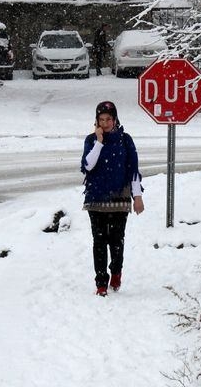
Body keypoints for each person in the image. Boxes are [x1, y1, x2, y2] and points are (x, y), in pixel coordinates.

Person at [81, 100, 144, 296]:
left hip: (119, 197)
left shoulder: (125, 140)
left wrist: (137, 196)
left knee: (116, 240)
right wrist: (99, 142)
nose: (105, 123)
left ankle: (116, 271)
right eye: (101, 120)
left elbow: (133, 170)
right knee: (99, 241)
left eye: (108, 119)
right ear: (96, 121)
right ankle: (101, 283)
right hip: (96, 198)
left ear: (115, 120)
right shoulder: (91, 140)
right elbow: (88, 165)